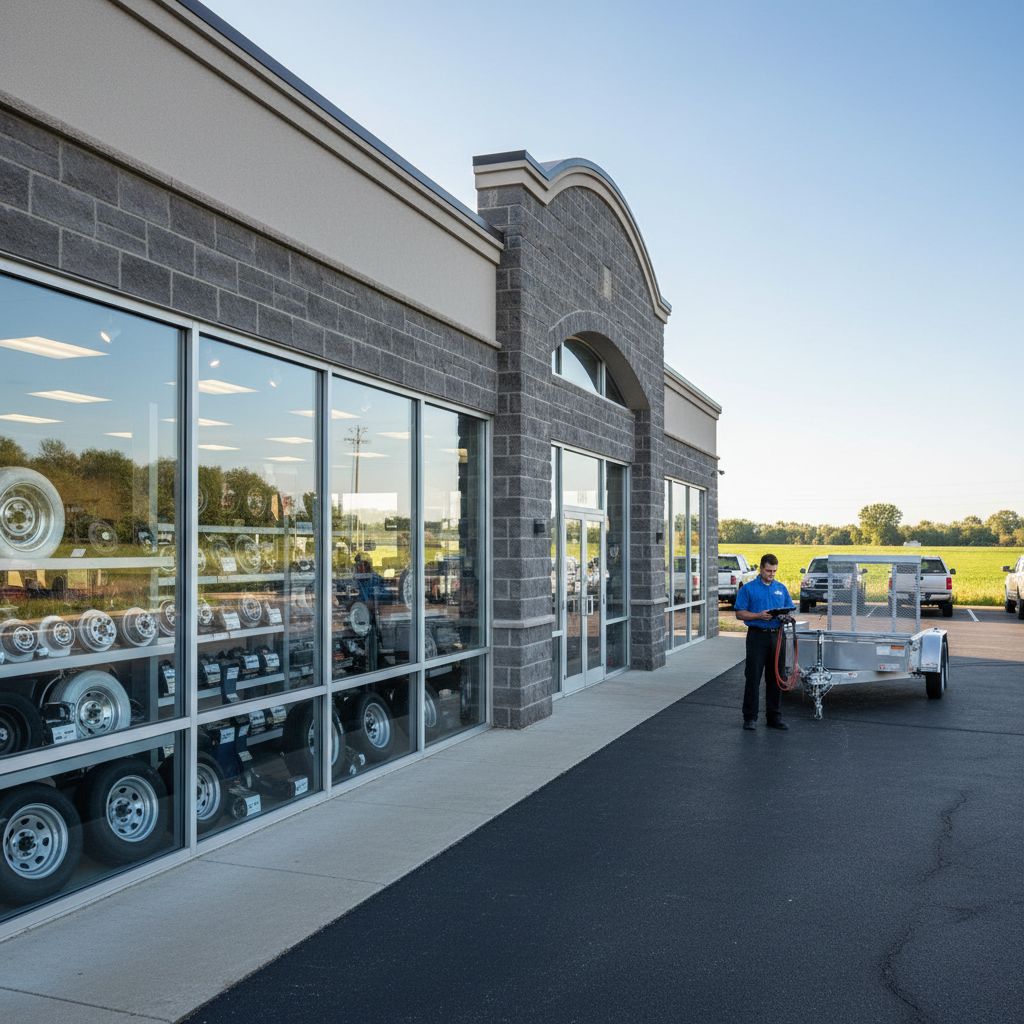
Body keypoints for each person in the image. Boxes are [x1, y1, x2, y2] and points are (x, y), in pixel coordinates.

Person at [734, 553, 793, 731]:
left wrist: (786, 616)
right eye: (768, 571)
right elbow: (739, 613)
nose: (771, 574)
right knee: (753, 677)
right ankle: (750, 718)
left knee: (776, 677)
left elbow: (790, 610)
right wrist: (758, 615)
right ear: (761, 568)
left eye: (774, 571)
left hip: (777, 636)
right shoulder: (749, 589)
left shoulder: (781, 588)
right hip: (757, 637)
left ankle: (774, 717)